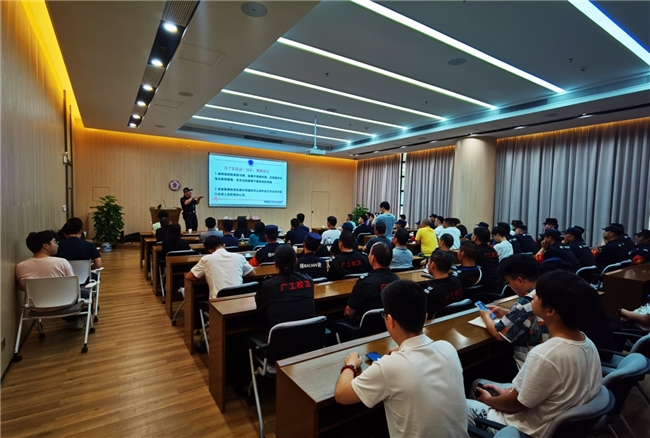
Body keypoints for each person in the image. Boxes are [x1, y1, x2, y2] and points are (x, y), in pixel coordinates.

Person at [466, 271, 602, 438]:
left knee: (459, 406)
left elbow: (515, 405)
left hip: (524, 430)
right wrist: (508, 391)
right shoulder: (588, 344)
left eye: (537, 295)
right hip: (554, 421)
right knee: (479, 384)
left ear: (550, 311)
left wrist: (488, 400)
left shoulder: (544, 354)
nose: (532, 296)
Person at [334, 280, 470, 438]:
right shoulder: (448, 348)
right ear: (425, 317)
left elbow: (341, 395)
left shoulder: (389, 367)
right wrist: (402, 348)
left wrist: (350, 365)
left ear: (390, 321)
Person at [478, 255, 548, 368]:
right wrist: (507, 313)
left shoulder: (525, 302)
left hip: (528, 365)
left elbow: (499, 334)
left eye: (508, 282)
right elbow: (531, 316)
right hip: (546, 357)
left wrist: (485, 316)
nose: (509, 286)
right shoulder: (547, 291)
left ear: (520, 280)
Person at [15, 230, 85, 328]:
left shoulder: (20, 267)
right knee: (86, 293)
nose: (57, 245)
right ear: (45, 246)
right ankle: (77, 320)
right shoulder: (62, 262)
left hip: (35, 306)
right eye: (55, 242)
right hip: (65, 303)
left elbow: (22, 288)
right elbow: (74, 287)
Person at [254, 245, 316, 331]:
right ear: (296, 261)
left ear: (275, 264)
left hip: (280, 338)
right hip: (309, 336)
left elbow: (260, 308)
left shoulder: (268, 286)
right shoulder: (309, 281)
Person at [344, 243, 399, 326]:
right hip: (389, 327)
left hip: (364, 329)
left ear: (373, 258)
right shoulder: (397, 280)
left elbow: (348, 313)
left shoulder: (364, 282)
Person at [185, 235, 254, 299]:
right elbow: (252, 273)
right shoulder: (239, 257)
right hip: (239, 299)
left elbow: (188, 277)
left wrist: (206, 274)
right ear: (224, 245)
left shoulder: (206, 259)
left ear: (210, 250)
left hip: (218, 302)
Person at [423, 251, 464, 318]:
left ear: (432, 265)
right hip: (455, 318)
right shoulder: (457, 282)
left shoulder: (431, 292)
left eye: (429, 262)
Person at [472, 227, 502, 292]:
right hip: (498, 282)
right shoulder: (492, 249)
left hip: (486, 285)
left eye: (473, 234)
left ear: (475, 237)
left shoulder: (477, 251)